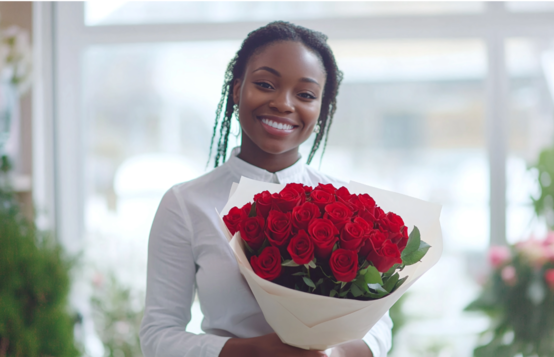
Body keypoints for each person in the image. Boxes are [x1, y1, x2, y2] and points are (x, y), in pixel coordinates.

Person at [139, 21, 393, 357]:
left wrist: (333, 353)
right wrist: (252, 352)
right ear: (237, 88)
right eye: (265, 84)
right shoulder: (186, 204)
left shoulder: (346, 205)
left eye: (305, 94)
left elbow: (380, 327)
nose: (284, 104)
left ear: (321, 108)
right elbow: (158, 336)